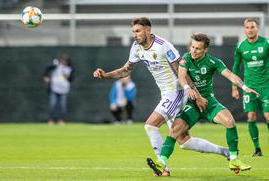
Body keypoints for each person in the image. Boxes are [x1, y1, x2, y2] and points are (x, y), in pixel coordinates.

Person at [94, 17, 229, 176]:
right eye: (133, 32)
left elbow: (182, 71)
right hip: (166, 94)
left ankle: (162, 166)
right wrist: (106, 75)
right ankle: (224, 151)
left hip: (176, 92)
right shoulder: (136, 47)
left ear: (147, 30)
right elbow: (126, 70)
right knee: (184, 141)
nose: (135, 35)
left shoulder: (163, 46)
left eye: (138, 31)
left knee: (150, 125)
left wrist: (196, 94)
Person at [147, 33, 259, 176]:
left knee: (230, 121)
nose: (193, 50)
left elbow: (230, 75)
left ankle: (234, 159)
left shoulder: (213, 62)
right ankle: (161, 162)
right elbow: (182, 76)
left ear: (205, 50)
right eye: (192, 47)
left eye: (198, 48)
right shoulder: (185, 59)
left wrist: (244, 87)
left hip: (208, 102)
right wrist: (187, 89)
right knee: (175, 130)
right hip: (191, 104)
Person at [232, 18, 269, 157]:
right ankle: (257, 149)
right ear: (244, 30)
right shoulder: (241, 46)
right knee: (251, 116)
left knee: (268, 116)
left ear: (257, 28)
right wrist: (234, 87)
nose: (250, 30)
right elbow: (235, 67)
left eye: (252, 27)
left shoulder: (266, 43)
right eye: (247, 27)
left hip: (266, 86)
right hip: (249, 87)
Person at [44, 54, 74, 125]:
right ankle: (50, 120)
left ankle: (62, 120)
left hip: (64, 90)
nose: (64, 61)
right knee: (52, 104)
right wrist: (46, 77)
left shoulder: (69, 68)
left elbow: (71, 79)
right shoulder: (56, 65)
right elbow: (47, 69)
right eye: (63, 59)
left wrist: (67, 77)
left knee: (63, 106)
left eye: (66, 60)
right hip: (54, 88)